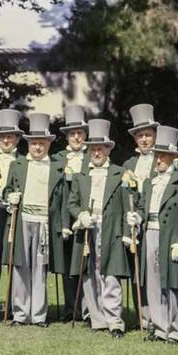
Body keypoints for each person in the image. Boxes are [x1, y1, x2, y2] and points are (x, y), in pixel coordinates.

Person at [2, 113, 78, 327]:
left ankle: (38, 315)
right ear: (28, 144)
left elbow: (63, 198)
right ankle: (20, 314)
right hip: (23, 219)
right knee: (20, 266)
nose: (37, 147)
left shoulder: (56, 166)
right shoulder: (18, 165)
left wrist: (64, 225)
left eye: (41, 143)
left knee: (40, 267)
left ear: (48, 144)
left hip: (45, 221)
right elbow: (8, 189)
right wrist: (10, 197)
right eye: (34, 143)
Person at [68, 119, 140, 337]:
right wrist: (80, 215)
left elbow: (130, 205)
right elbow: (72, 202)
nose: (96, 153)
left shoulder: (120, 174)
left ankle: (114, 320)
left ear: (108, 149)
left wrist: (128, 234)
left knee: (110, 275)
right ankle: (97, 318)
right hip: (88, 227)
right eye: (93, 149)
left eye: (100, 149)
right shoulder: (81, 176)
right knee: (90, 273)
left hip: (112, 230)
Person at [136, 126, 178, 343]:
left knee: (172, 282)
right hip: (150, 231)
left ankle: (176, 330)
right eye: (156, 156)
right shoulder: (150, 182)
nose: (158, 160)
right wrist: (138, 217)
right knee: (152, 281)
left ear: (172, 157)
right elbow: (143, 206)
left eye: (163, 156)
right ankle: (160, 328)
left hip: (169, 235)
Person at [0, 109, 24, 317]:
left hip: (16, 214)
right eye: (2, 136)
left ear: (17, 139)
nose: (6, 140)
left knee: (13, 260)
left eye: (10, 136)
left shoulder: (24, 162)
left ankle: (12, 306)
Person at [52, 104, 88, 319]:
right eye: (72, 134)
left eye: (80, 133)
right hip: (62, 218)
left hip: (85, 214)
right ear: (66, 136)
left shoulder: (92, 157)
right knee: (66, 264)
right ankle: (69, 307)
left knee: (86, 263)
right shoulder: (57, 159)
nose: (76, 137)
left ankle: (87, 307)